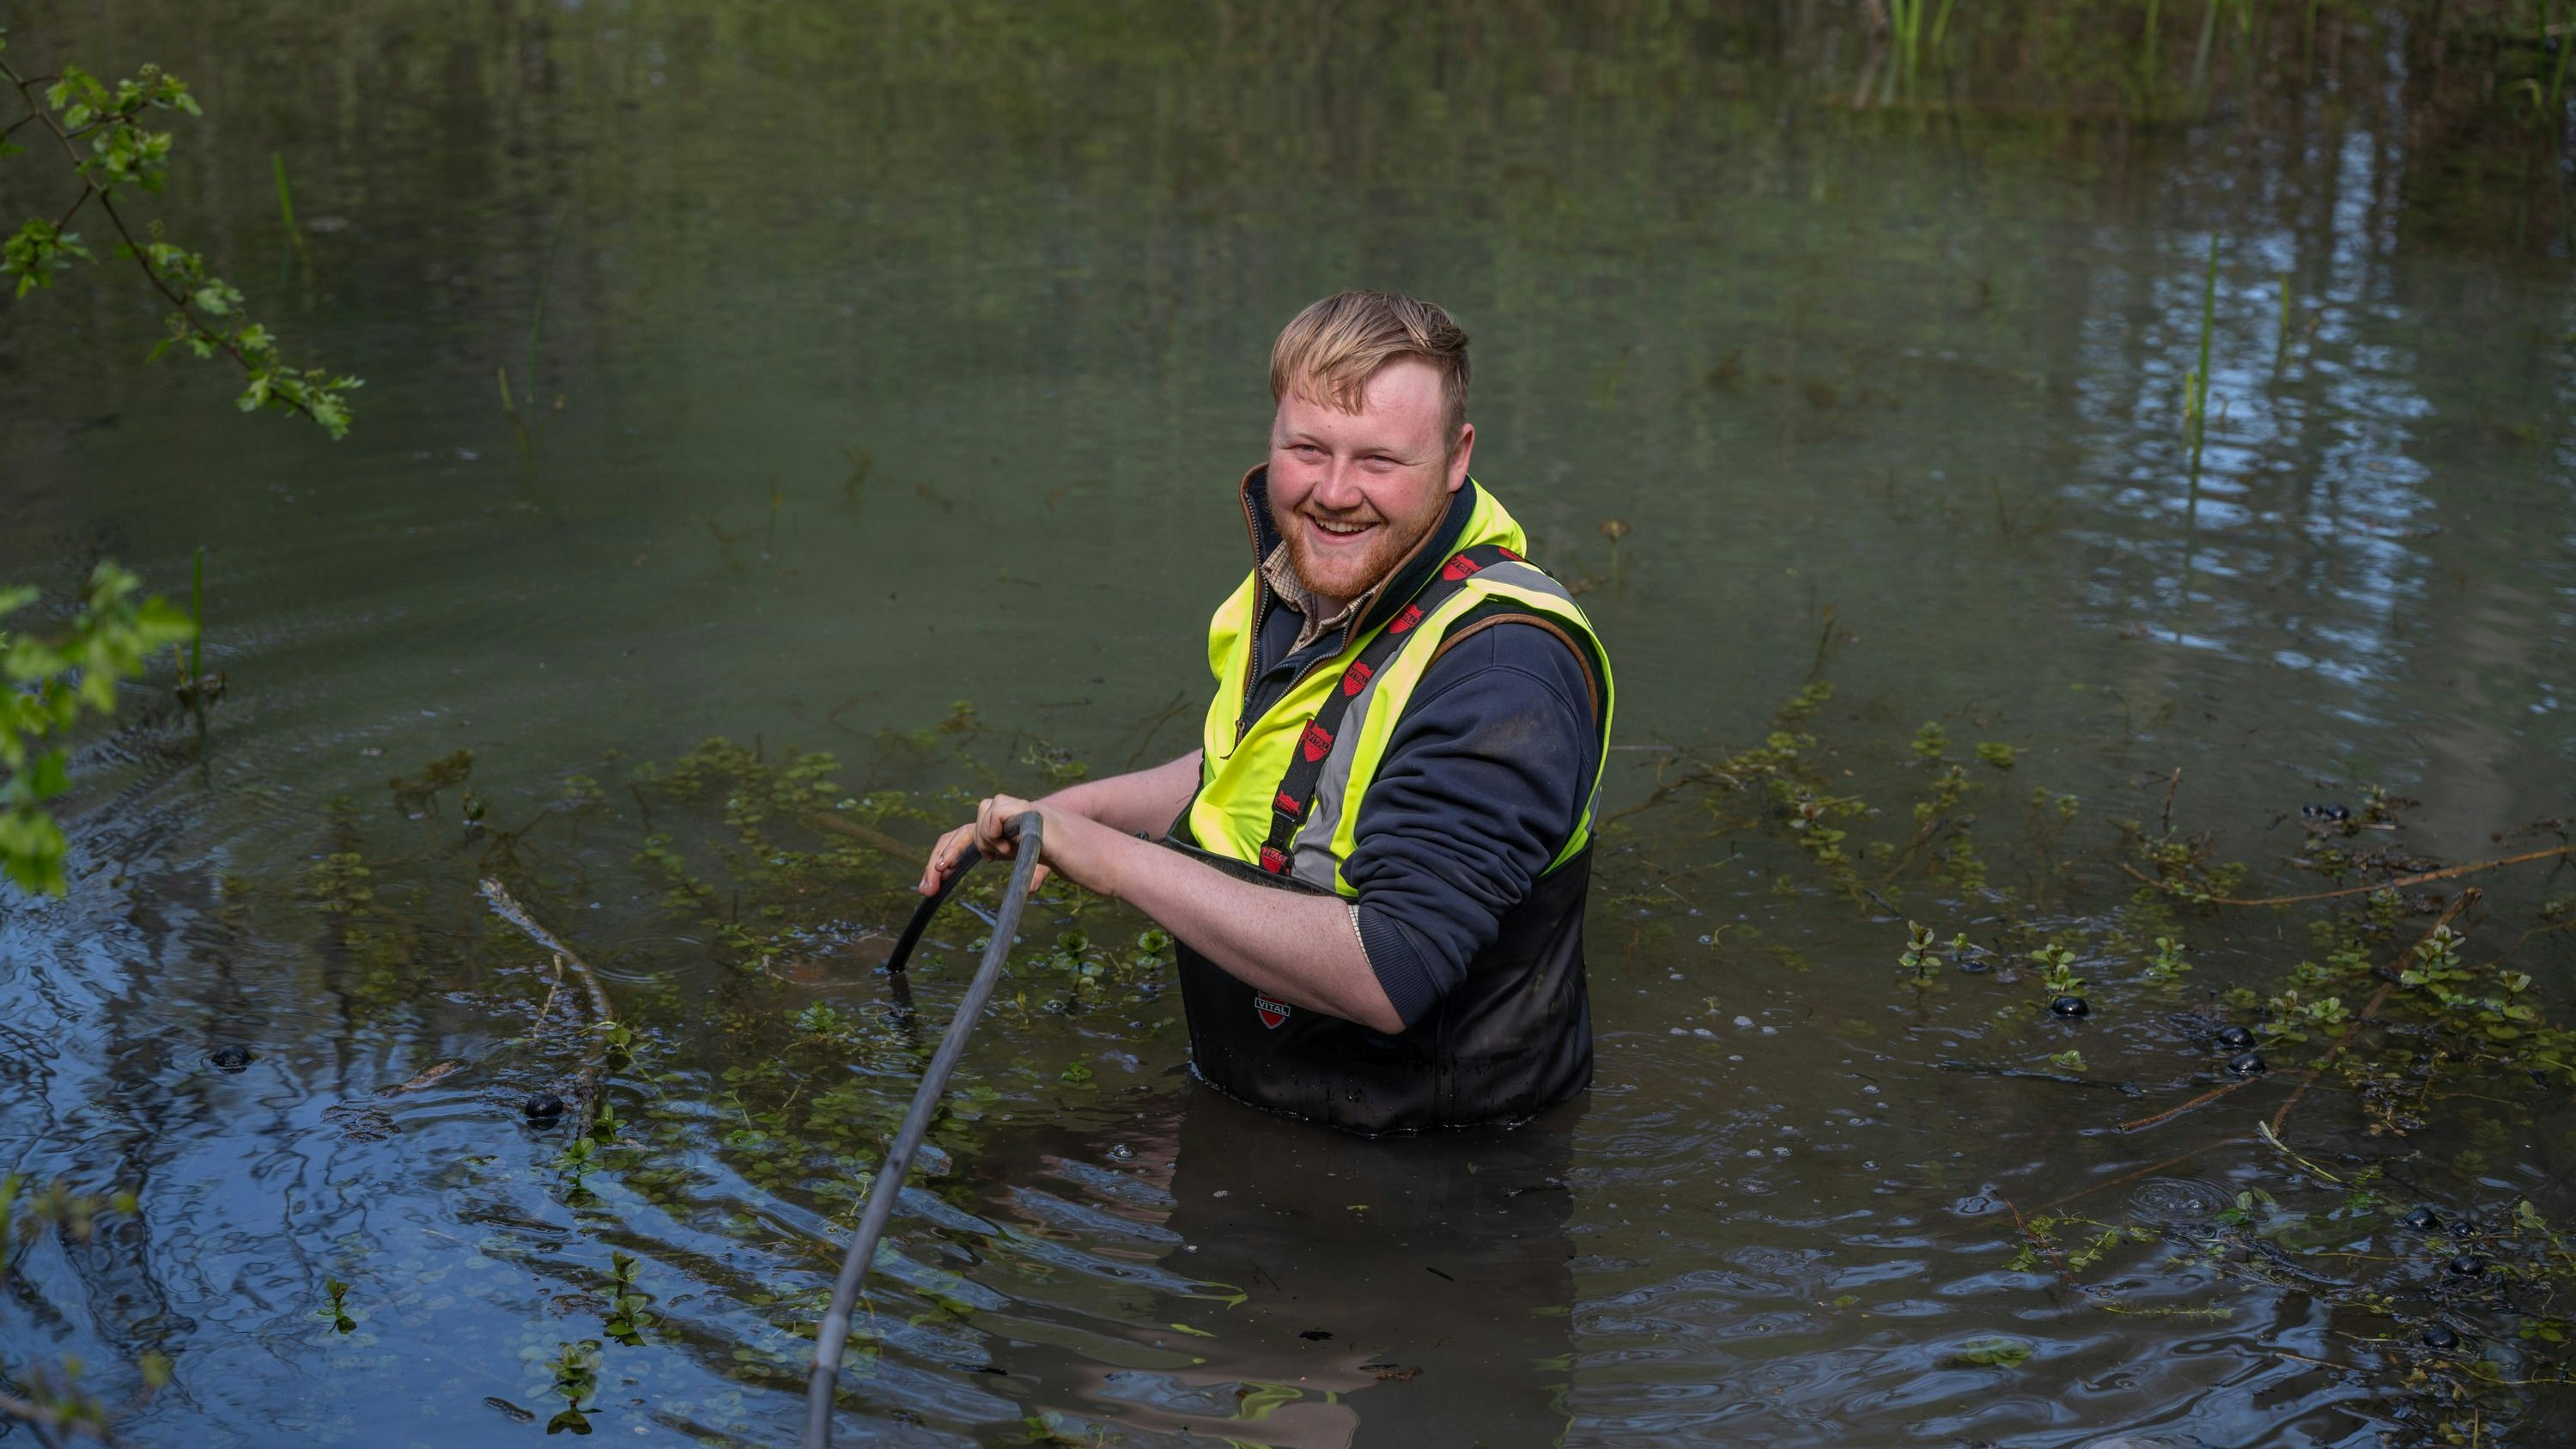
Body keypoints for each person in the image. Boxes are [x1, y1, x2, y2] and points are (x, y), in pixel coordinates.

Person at [920, 289, 1614, 1135]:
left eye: (1379, 461)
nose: (1333, 493)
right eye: (1307, 448)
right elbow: (1260, 771)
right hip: (1265, 1102)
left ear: (1457, 456)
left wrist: (1112, 861)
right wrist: (1069, 814)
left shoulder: (1507, 672)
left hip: (1441, 1167)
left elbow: (1391, 971)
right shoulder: (1313, 579)